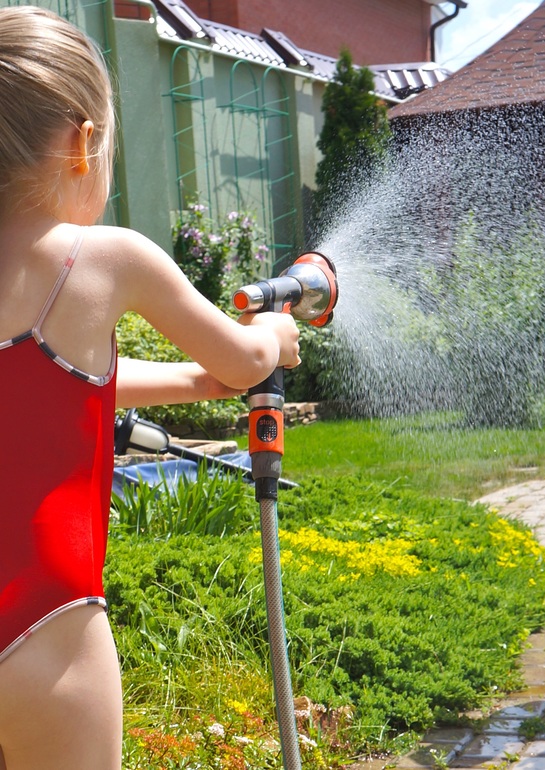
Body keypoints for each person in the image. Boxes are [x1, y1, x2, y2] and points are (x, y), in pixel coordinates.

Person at [0, 7, 300, 769]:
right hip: (51, 632)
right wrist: (273, 335)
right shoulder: (106, 258)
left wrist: (193, 381)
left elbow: (51, 383)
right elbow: (246, 359)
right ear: (82, 143)